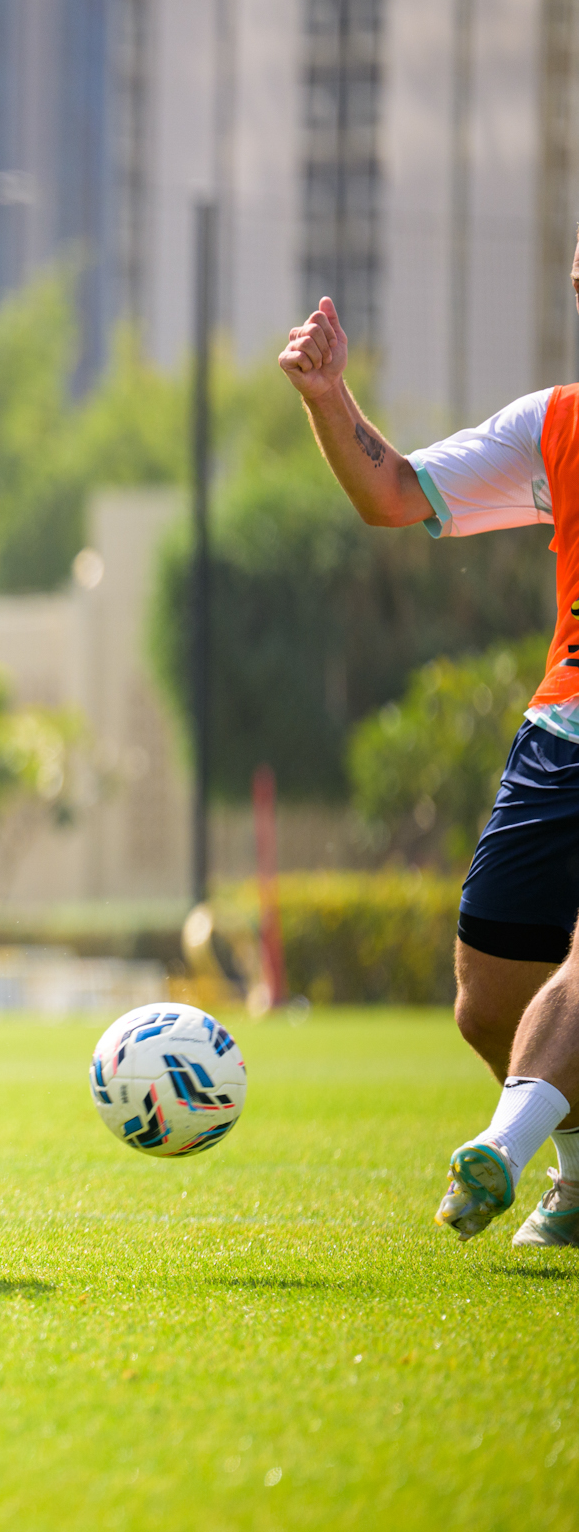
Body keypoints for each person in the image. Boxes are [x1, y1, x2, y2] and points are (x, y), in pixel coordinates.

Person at [282, 268, 579, 1247]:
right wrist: (329, 398)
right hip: (561, 733)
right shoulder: (556, 421)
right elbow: (393, 492)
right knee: (487, 999)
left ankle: (502, 1147)